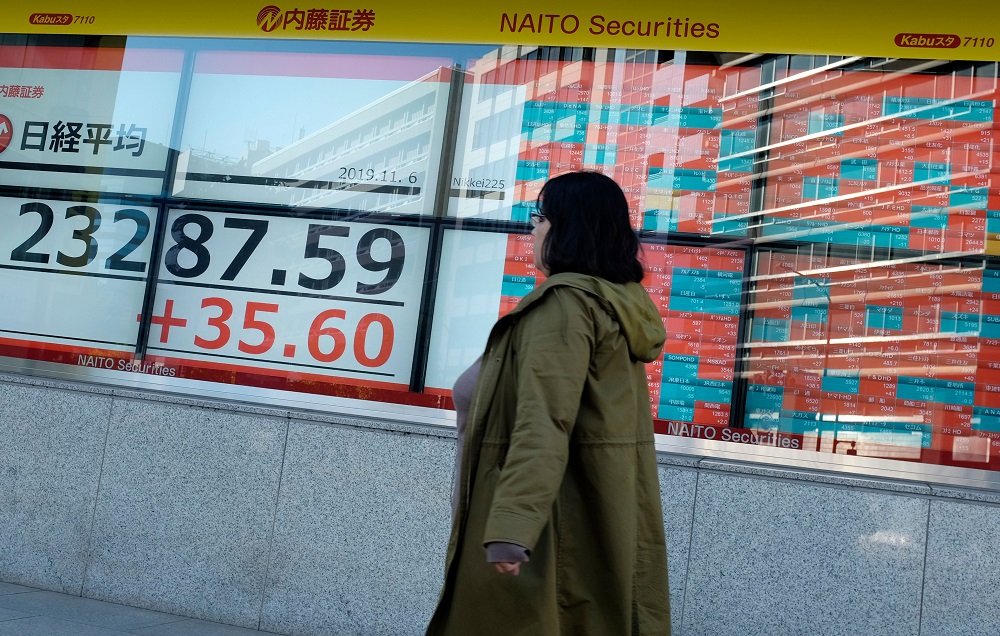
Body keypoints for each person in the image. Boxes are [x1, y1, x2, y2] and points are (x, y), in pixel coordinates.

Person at [426, 171, 672, 635]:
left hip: (545, 532)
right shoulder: (613, 301)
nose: (532, 231)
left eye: (539, 218)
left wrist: (511, 529)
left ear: (567, 227)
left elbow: (543, 421)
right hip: (569, 518)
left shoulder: (565, 306)